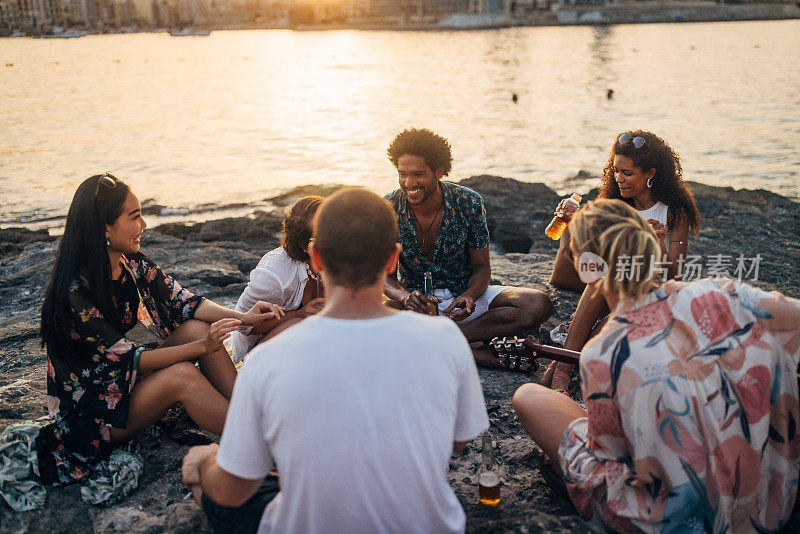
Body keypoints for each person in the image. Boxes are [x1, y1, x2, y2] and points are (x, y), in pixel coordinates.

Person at [182, 188, 489, 534]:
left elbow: (231, 490)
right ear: (392, 259)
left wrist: (205, 460)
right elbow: (458, 441)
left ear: (315, 257)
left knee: (211, 482)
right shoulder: (445, 338)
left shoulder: (266, 361)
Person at [513, 199, 800, 533]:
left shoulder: (603, 355)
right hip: (774, 499)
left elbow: (612, 456)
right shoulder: (724, 293)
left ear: (588, 267)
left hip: (681, 523)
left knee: (528, 398)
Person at [39, 173, 282, 484]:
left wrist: (244, 317)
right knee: (183, 374)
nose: (144, 225)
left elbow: (182, 300)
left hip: (126, 383)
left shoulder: (132, 263)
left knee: (195, 327)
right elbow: (130, 359)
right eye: (135, 217)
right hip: (95, 414)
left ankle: (248, 415)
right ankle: (262, 442)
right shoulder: (76, 293)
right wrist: (202, 348)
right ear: (104, 227)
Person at [545, 130, 700, 393]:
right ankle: (562, 370)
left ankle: (563, 365)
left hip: (653, 295)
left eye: (627, 173)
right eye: (616, 170)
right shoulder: (615, 203)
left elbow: (674, 278)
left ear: (650, 173)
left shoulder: (674, 212)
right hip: (613, 288)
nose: (619, 179)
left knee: (616, 308)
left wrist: (659, 246)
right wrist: (576, 224)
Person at [382, 128, 552, 368]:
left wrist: (470, 297)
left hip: (465, 307)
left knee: (538, 304)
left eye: (418, 174)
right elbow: (384, 277)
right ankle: (473, 352)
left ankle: (451, 341)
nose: (409, 183)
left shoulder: (468, 202)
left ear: (439, 171)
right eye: (402, 174)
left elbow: (482, 268)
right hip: (416, 307)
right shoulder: (388, 208)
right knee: (371, 319)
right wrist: (405, 296)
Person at [230, 196, 325, 363]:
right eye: (324, 236)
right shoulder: (275, 274)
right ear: (305, 246)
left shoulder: (341, 252)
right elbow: (246, 324)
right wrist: (300, 313)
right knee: (300, 324)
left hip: (316, 341)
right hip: (263, 350)